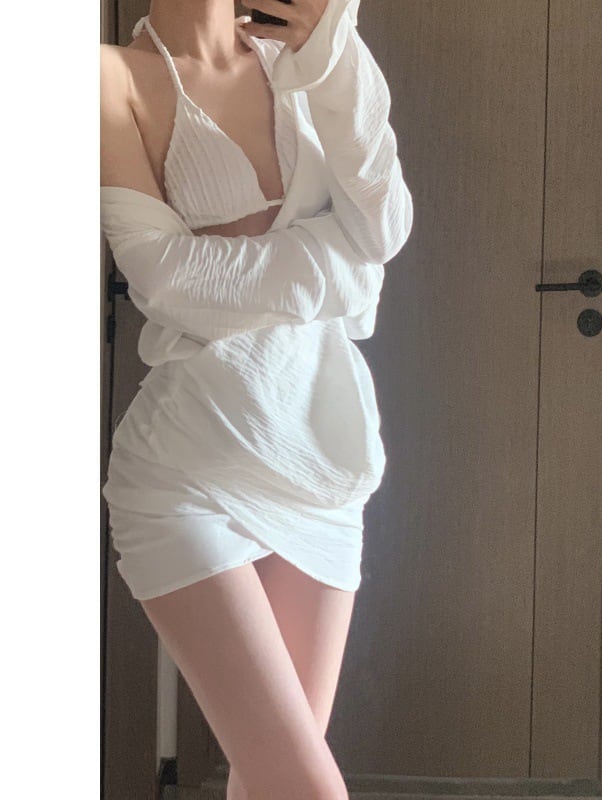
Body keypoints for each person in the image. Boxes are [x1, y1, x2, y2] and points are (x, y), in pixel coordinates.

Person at [99, 0, 413, 797]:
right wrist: (341, 268)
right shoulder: (107, 78)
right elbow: (169, 281)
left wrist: (334, 54)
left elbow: (385, 228)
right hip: (188, 475)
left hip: (322, 467)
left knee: (264, 784)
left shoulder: (319, 57)